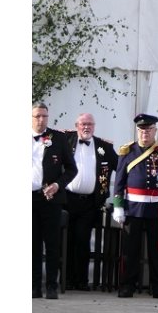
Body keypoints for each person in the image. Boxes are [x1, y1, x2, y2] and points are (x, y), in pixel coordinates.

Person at [112, 114, 158, 299]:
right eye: (142, 130)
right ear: (137, 131)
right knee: (130, 249)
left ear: (155, 131)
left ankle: (157, 285)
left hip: (156, 209)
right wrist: (118, 206)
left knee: (157, 250)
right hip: (133, 207)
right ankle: (128, 284)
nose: (145, 133)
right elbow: (119, 181)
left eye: (149, 129)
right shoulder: (128, 152)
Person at [62, 113, 117, 291]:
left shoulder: (104, 146)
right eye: (83, 124)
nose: (87, 127)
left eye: (90, 124)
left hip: (89, 203)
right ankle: (66, 279)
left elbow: (121, 167)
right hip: (67, 200)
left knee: (83, 241)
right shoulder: (66, 140)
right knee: (67, 241)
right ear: (76, 125)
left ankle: (82, 280)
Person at [32, 103, 78, 299]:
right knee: (31, 243)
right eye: (37, 116)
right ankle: (34, 286)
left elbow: (71, 169)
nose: (41, 120)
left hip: (50, 196)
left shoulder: (57, 138)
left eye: (44, 116)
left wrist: (58, 185)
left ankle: (52, 285)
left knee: (51, 243)